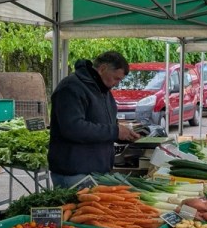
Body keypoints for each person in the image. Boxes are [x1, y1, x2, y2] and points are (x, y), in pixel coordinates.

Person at [48, 51, 140, 188]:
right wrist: (115, 132)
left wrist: (124, 135)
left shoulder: (102, 90)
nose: (117, 83)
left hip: (96, 171)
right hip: (74, 173)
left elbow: (103, 124)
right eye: (116, 78)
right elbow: (74, 128)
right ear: (102, 69)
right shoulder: (71, 87)